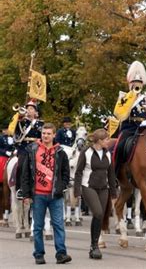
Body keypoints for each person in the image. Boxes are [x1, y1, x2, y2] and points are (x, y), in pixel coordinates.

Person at [20, 123, 72, 265]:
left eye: (49, 133)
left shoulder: (60, 152)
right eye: (44, 133)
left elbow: (66, 173)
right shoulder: (32, 149)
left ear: (54, 135)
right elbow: (25, 174)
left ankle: (61, 254)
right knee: (38, 226)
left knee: (58, 225)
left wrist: (61, 187)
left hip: (55, 196)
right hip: (37, 195)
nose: (46, 135)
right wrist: (25, 195)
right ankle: (39, 254)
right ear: (41, 134)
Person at [74, 129, 117, 260]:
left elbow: (111, 174)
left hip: (104, 188)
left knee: (100, 216)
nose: (109, 142)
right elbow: (78, 172)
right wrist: (77, 192)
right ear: (99, 141)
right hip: (88, 186)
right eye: (106, 140)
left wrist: (114, 194)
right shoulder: (86, 152)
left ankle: (94, 246)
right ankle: (94, 245)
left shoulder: (108, 154)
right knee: (97, 213)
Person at [113, 61, 146, 168]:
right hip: (129, 128)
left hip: (144, 128)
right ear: (130, 84)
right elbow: (119, 113)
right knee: (119, 147)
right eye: (134, 82)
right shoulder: (124, 97)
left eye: (139, 82)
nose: (137, 84)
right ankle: (115, 173)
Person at [8, 99, 44, 199]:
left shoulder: (40, 123)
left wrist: (34, 123)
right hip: (24, 148)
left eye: (31, 108)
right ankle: (20, 189)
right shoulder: (22, 122)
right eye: (27, 108)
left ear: (36, 112)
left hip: (37, 148)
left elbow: (43, 135)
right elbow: (13, 131)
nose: (28, 110)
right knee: (20, 166)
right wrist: (18, 117)